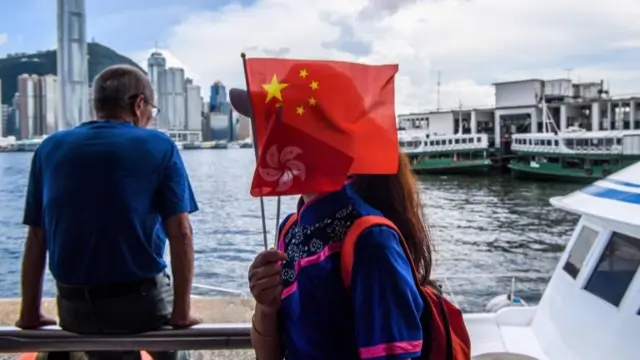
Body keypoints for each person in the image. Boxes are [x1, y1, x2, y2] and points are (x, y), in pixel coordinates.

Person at [230, 79, 433, 359]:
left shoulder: (372, 242)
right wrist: (265, 306)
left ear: (318, 139)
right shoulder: (290, 229)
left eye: (275, 124)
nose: (262, 139)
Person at [16, 65, 199, 360]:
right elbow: (181, 233)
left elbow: (37, 238)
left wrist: (29, 314)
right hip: (141, 305)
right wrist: (181, 313)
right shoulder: (160, 146)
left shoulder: (49, 148)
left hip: (74, 308)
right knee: (179, 352)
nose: (151, 117)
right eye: (151, 109)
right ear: (138, 104)